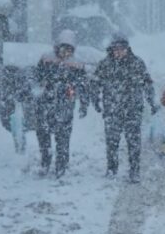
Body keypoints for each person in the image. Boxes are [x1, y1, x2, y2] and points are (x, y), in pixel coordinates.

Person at [92, 35, 158, 183]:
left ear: (127, 49)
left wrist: (152, 102)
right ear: (112, 49)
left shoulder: (137, 63)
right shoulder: (105, 64)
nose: (119, 52)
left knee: (133, 142)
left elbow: (147, 84)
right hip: (112, 109)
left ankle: (134, 171)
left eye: (122, 48)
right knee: (112, 141)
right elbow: (95, 83)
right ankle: (111, 169)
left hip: (133, 109)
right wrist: (95, 100)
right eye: (116, 49)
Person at [34, 29, 89, 178]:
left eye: (69, 49)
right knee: (44, 136)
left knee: (63, 137)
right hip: (45, 104)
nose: (65, 52)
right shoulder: (46, 59)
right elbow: (36, 78)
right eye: (63, 48)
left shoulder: (77, 64)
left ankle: (61, 166)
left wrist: (84, 104)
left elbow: (84, 86)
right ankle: (45, 162)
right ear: (57, 47)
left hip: (65, 106)